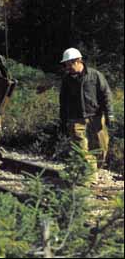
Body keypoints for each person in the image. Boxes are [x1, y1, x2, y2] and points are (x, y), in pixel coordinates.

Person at [59, 48, 114, 182]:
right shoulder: (67, 80)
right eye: (66, 65)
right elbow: (63, 101)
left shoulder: (95, 75)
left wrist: (109, 115)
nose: (68, 67)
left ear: (78, 61)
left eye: (70, 64)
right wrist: (63, 120)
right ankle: (89, 179)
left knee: (101, 147)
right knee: (81, 149)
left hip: (96, 117)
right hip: (76, 119)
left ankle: (94, 171)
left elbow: (106, 94)